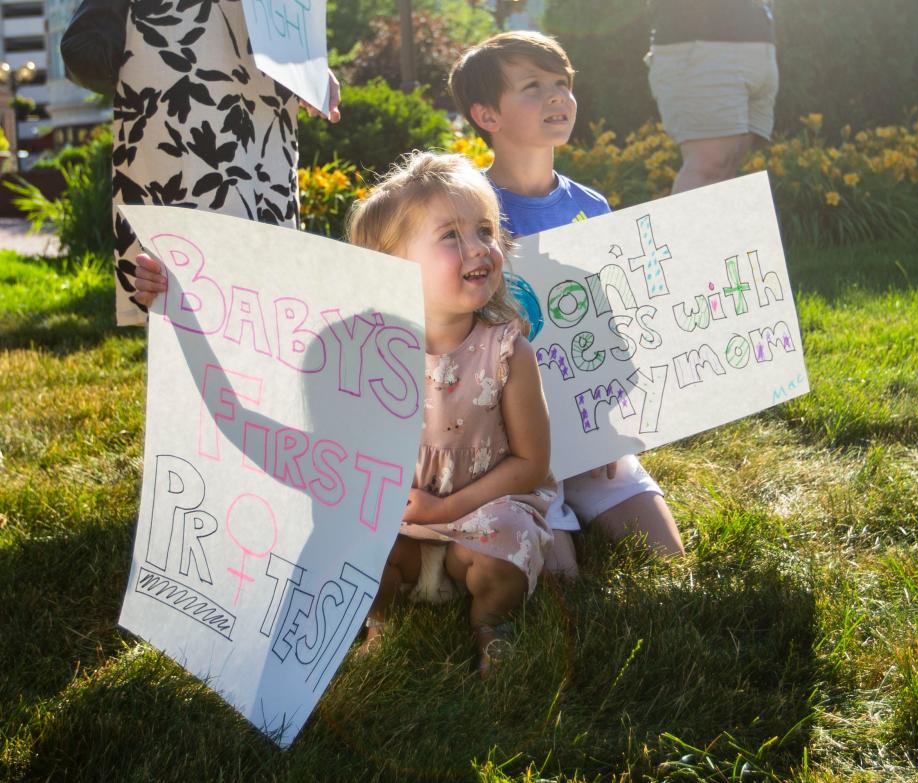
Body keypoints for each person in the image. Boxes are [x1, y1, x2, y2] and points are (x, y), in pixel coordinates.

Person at [132, 152, 555, 677]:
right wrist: (180, 298)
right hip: (392, 521)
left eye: (485, 230)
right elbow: (256, 349)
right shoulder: (355, 351)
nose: (477, 249)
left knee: (508, 544)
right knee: (350, 546)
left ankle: (492, 624)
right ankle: (381, 623)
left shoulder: (508, 351)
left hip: (477, 515)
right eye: (450, 236)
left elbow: (531, 464)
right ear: (390, 266)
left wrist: (444, 511)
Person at [448, 31, 684, 579]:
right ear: (487, 115)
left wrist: (608, 425)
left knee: (667, 557)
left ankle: (581, 495)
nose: (558, 97)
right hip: (509, 445)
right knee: (558, 582)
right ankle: (523, 512)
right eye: (533, 86)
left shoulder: (590, 207)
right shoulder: (471, 212)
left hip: (587, 424)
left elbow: (608, 325)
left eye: (562, 84)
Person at [111, 0, 340, 326]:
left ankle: (256, 369)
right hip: (174, 39)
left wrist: (307, 61)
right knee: (178, 264)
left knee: (268, 267)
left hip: (263, 53)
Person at [646, 0, 778, 194]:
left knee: (725, 170)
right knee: (708, 168)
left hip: (758, 40)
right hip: (700, 46)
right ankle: (679, 226)